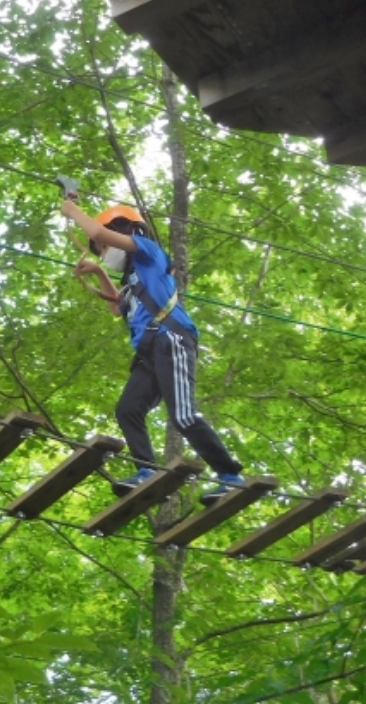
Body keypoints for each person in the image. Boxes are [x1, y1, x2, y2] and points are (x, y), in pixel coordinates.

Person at [60, 198, 245, 505]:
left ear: (125, 230)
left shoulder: (148, 253)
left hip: (171, 338)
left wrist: (73, 212)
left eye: (104, 247)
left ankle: (230, 477)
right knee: (128, 409)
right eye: (101, 250)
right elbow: (116, 309)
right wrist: (99, 273)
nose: (104, 252)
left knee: (183, 415)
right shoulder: (133, 279)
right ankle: (147, 471)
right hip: (150, 353)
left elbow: (99, 232)